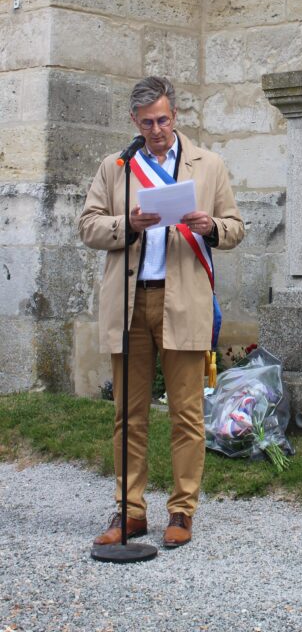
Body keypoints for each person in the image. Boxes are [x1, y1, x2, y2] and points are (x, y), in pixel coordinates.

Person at [79, 76, 245, 548]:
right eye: (148, 122)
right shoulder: (117, 167)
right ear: (134, 121)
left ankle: (182, 510)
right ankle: (130, 511)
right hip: (130, 302)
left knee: (186, 414)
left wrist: (210, 225)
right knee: (128, 415)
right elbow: (88, 225)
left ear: (176, 116)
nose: (157, 129)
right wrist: (125, 225)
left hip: (184, 299)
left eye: (164, 119)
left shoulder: (207, 165)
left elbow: (235, 228)